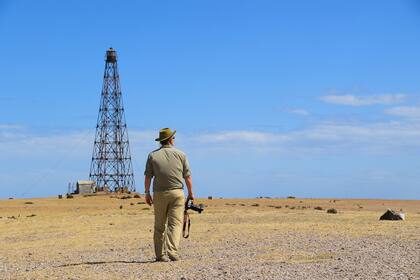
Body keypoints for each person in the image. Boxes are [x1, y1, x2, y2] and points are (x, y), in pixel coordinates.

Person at [144, 128, 194, 262]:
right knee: (175, 224)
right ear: (171, 139)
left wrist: (147, 193)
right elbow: (187, 177)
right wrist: (190, 194)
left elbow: (148, 177)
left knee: (159, 226)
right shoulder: (181, 155)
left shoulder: (152, 156)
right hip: (177, 193)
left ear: (161, 141)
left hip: (159, 194)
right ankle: (172, 252)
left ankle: (160, 255)